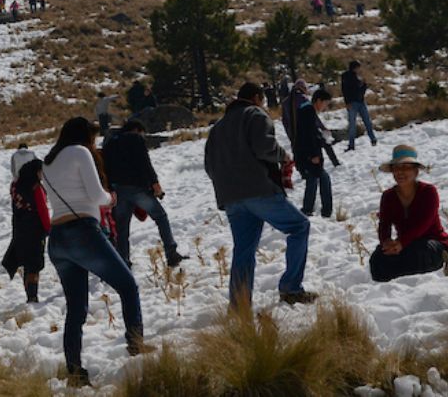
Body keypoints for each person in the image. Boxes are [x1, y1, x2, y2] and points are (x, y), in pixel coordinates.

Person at [42, 117, 147, 386]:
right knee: (127, 285)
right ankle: (136, 346)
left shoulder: (48, 162)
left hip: (57, 239)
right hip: (83, 231)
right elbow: (95, 194)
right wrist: (111, 198)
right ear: (84, 136)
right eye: (93, 138)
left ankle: (75, 372)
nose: (94, 143)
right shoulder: (80, 152)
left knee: (76, 309)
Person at [204, 83, 315, 308]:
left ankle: (240, 306)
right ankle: (291, 288)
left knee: (243, 250)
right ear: (256, 98)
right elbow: (265, 148)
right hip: (259, 190)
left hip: (230, 198)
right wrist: (283, 156)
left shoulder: (218, 127)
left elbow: (209, 166)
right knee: (299, 227)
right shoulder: (255, 114)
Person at [105, 120, 186, 268]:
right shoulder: (135, 139)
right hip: (137, 188)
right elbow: (145, 163)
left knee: (122, 229)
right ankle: (171, 253)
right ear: (137, 130)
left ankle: (123, 261)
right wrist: (155, 185)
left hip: (118, 190)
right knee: (160, 217)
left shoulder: (110, 142)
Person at [369, 145, 448, 282]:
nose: (400, 172)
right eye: (396, 168)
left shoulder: (428, 191)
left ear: (416, 171)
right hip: (404, 245)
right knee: (378, 257)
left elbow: (424, 223)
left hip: (433, 244)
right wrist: (386, 242)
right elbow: (384, 224)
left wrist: (402, 243)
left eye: (406, 167)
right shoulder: (388, 196)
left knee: (419, 251)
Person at [1, 158, 50, 302]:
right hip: (35, 229)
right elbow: (42, 209)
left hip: (19, 228)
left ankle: (29, 294)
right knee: (34, 264)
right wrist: (48, 228)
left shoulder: (15, 186)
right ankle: (33, 296)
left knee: (26, 262)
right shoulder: (36, 188)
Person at [295, 89, 335, 218]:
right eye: (325, 103)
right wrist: (313, 155)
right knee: (321, 179)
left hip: (304, 153)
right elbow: (307, 135)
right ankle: (323, 210)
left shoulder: (305, 110)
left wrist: (321, 136)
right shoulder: (309, 111)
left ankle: (309, 209)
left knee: (315, 180)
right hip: (309, 154)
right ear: (318, 101)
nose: (325, 107)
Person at [342, 61, 378, 150]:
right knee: (366, 122)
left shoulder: (347, 77)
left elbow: (345, 90)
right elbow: (348, 90)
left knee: (353, 125)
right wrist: (364, 85)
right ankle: (372, 139)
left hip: (355, 102)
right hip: (356, 102)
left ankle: (352, 145)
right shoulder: (352, 78)